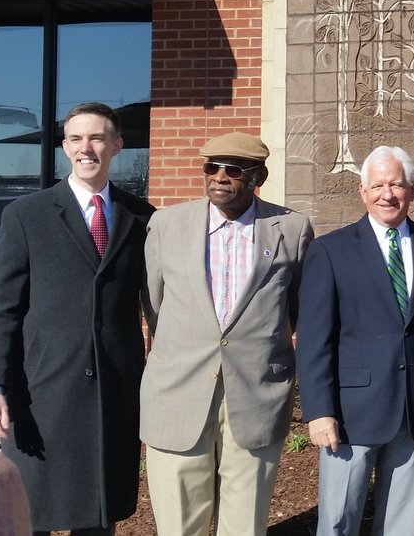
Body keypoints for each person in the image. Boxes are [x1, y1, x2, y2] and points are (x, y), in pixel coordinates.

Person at [0, 101, 154, 535]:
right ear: (64, 148)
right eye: (77, 139)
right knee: (31, 514)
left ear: (117, 145)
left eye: (98, 138)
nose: (87, 148)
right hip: (41, 392)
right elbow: (1, 308)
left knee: (98, 516)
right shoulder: (26, 215)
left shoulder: (142, 217)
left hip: (113, 394)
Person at [141, 132, 314, 536]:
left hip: (256, 396)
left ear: (259, 176)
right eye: (211, 167)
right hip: (177, 395)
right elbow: (154, 304)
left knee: (245, 526)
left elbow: (297, 309)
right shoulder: (166, 224)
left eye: (233, 169)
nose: (219, 176)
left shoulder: (291, 228)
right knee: (179, 526)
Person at [297, 145, 414, 536]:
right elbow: (315, 339)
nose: (387, 194)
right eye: (378, 185)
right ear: (362, 191)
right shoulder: (330, 250)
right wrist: (319, 410)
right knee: (339, 519)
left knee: (402, 522)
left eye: (396, 185)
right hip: (351, 413)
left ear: (413, 190)